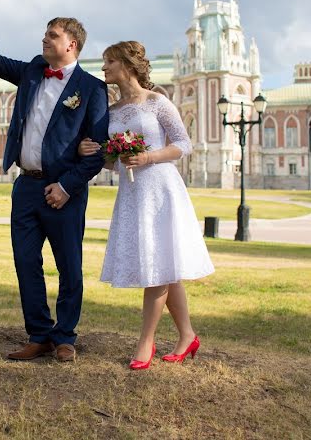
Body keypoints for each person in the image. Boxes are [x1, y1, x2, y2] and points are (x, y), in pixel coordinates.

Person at [0, 18, 109, 363]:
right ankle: (39, 334)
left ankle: (65, 337)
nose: (44, 39)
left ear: (71, 44)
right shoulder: (33, 71)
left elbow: (97, 151)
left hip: (64, 192)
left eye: (52, 35)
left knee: (69, 266)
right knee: (26, 262)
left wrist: (67, 186)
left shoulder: (92, 89)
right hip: (26, 185)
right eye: (45, 33)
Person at [78, 41, 214, 370]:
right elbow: (115, 162)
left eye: (110, 61)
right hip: (132, 192)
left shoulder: (158, 102)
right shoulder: (110, 112)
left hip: (162, 189)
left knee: (158, 266)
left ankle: (146, 341)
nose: (104, 67)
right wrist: (94, 153)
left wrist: (149, 156)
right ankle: (187, 336)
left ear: (126, 65)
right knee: (165, 265)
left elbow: (184, 143)